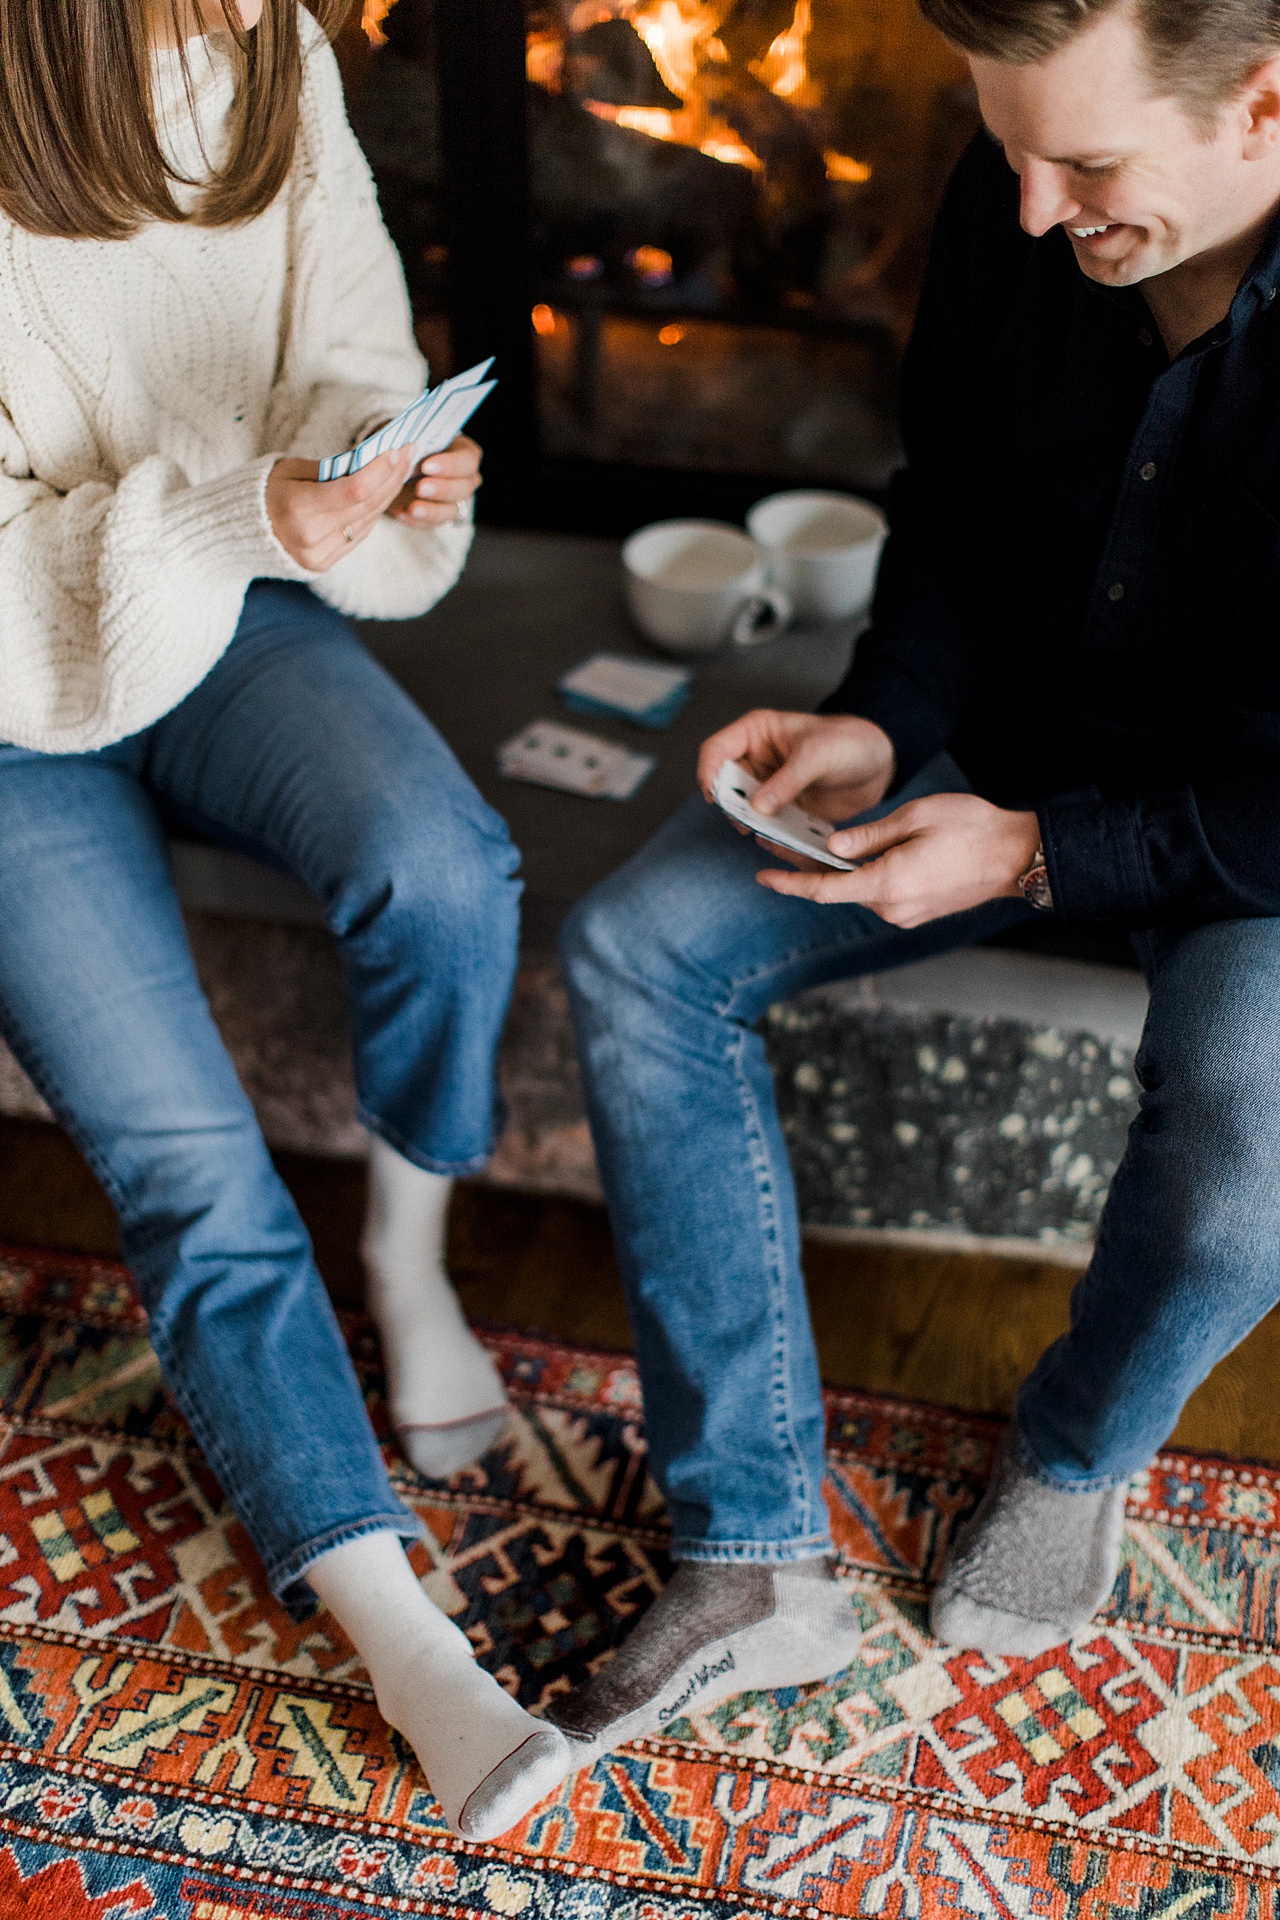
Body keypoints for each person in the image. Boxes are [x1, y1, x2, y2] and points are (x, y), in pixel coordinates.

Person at [550, 0, 1280, 1762]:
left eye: (1087, 165)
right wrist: (885, 720)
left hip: (1254, 829)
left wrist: (1039, 852)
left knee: (1255, 1140)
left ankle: (1076, 1450)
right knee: (636, 944)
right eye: (1011, 150)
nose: (1030, 209)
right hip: (1009, 732)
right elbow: (949, 499)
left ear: (1264, 103)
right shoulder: (1015, 191)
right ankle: (749, 1552)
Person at [0, 0, 569, 1838]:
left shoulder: (273, 49)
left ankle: (409, 1258)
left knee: (444, 862)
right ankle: (412, 1648)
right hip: (14, 676)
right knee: (189, 1166)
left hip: (231, 580)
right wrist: (251, 509)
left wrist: (365, 465)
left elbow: (336, 350)